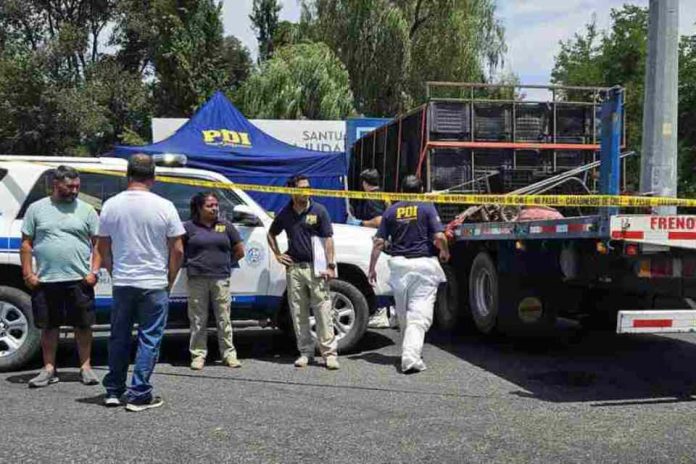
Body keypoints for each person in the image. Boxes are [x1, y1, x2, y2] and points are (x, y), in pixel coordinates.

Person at [96, 154, 185, 411]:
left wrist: (115, 272)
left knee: (119, 337)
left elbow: (103, 247)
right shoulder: (165, 206)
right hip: (154, 282)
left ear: (128, 175)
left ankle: (113, 390)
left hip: (124, 282)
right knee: (149, 338)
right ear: (154, 177)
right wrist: (169, 279)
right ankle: (139, 394)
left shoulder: (111, 205)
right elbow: (177, 249)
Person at [20, 166, 101, 388]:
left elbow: (98, 244)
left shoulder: (86, 210)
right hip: (46, 279)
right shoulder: (36, 209)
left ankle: (85, 368)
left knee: (83, 325)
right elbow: (26, 243)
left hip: (79, 279)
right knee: (49, 326)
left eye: (77, 186)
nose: (75, 190)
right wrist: (28, 273)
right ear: (56, 184)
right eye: (70, 186)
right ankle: (48, 369)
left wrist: (93, 272)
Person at [368, 175, 450, 374]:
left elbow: (378, 242)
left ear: (401, 189)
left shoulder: (391, 210)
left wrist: (371, 268)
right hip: (423, 267)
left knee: (404, 315)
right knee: (419, 317)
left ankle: (409, 349)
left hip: (399, 269)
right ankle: (410, 359)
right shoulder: (427, 207)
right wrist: (445, 251)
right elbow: (439, 236)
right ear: (421, 189)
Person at [267, 175, 339, 370]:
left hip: (317, 268)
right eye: (302, 188)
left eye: (308, 187)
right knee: (298, 312)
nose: (307, 191)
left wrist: (331, 265)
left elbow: (328, 239)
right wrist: (278, 254)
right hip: (295, 269)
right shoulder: (285, 213)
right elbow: (271, 233)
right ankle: (305, 352)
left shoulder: (319, 210)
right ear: (292, 191)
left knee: (323, 310)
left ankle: (329, 354)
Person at [184, 192, 245, 371]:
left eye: (216, 205)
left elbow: (240, 250)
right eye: (210, 206)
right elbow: (179, 250)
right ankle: (198, 355)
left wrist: (226, 264)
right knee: (197, 319)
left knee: (224, 318)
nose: (215, 208)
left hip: (221, 278)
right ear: (199, 208)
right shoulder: (189, 227)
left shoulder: (226, 226)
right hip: (197, 279)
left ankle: (229, 354)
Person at [348, 169, 394, 329]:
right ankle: (391, 313)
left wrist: (360, 223)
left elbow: (380, 220)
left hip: (378, 239)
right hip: (387, 239)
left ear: (365, 183)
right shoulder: (383, 194)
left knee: (375, 275)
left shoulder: (372, 197)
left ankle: (381, 313)